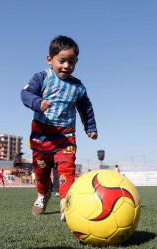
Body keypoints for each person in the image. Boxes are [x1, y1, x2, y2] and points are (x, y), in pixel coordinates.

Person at [21, 35, 98, 221]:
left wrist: (90, 126)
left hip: (66, 136)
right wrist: (37, 102)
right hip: (42, 134)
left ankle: (66, 201)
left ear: (76, 62)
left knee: (67, 167)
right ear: (50, 59)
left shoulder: (78, 87)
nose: (66, 66)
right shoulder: (42, 78)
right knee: (41, 170)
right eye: (61, 61)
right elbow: (25, 94)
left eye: (71, 62)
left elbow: (86, 108)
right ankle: (42, 194)